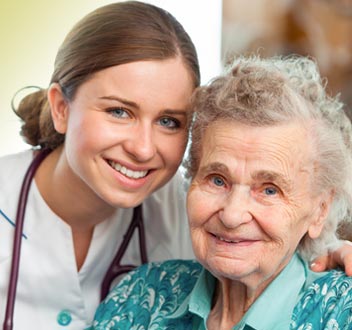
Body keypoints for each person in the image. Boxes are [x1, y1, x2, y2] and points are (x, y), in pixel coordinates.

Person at [91, 55, 352, 329]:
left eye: (269, 190)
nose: (232, 215)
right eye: (217, 180)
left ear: (320, 211)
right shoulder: (140, 296)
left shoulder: (342, 312)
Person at [0, 2, 199, 329]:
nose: (143, 148)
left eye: (168, 121)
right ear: (61, 108)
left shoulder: (192, 213)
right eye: (119, 112)